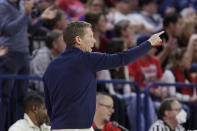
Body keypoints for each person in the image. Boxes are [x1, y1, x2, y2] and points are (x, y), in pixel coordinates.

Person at [43, 21, 164, 130]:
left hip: (58, 127)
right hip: (79, 127)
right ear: (78, 40)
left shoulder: (52, 65)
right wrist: (149, 43)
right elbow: (122, 58)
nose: (94, 40)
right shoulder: (87, 59)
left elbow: (48, 101)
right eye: (90, 36)